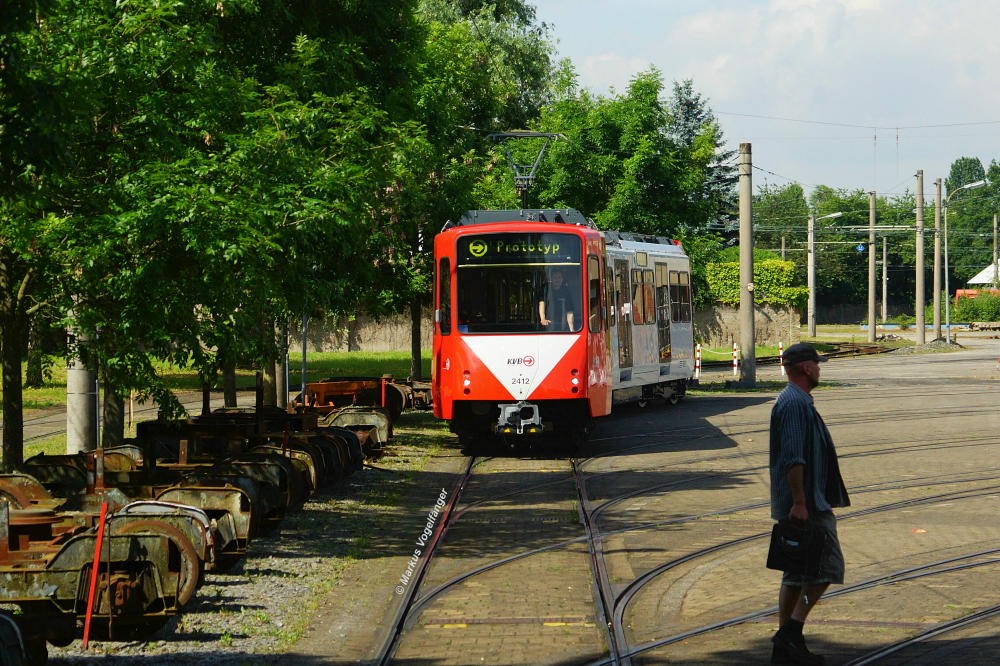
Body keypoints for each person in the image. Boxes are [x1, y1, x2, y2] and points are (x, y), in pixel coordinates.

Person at [768, 343, 850, 665]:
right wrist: (800, 501)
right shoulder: (794, 403)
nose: (820, 367)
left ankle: (784, 651)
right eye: (817, 362)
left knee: (794, 574)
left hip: (806, 499)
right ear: (805, 368)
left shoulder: (799, 401)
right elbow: (793, 457)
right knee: (827, 567)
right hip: (807, 504)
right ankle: (791, 631)